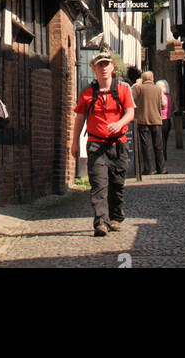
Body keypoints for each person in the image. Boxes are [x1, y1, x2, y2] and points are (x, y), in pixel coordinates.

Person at [71, 48, 135, 237]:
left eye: (106, 64)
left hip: (118, 144)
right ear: (94, 69)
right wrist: (75, 142)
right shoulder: (88, 94)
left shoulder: (123, 90)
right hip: (96, 145)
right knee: (98, 184)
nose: (104, 68)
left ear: (113, 67)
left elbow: (130, 112)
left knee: (117, 185)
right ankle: (100, 222)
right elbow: (79, 119)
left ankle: (115, 217)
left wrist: (120, 123)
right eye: (100, 65)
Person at [132, 70, 166, 174]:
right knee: (158, 145)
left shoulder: (139, 88)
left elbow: (131, 99)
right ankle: (161, 168)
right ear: (152, 78)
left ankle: (149, 169)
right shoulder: (158, 89)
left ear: (143, 79)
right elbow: (163, 104)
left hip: (143, 120)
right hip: (156, 120)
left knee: (146, 145)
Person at [156, 79, 172, 165]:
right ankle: (164, 155)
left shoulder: (161, 96)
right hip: (168, 120)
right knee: (165, 140)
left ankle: (161, 157)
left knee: (160, 141)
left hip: (161, 120)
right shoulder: (168, 96)